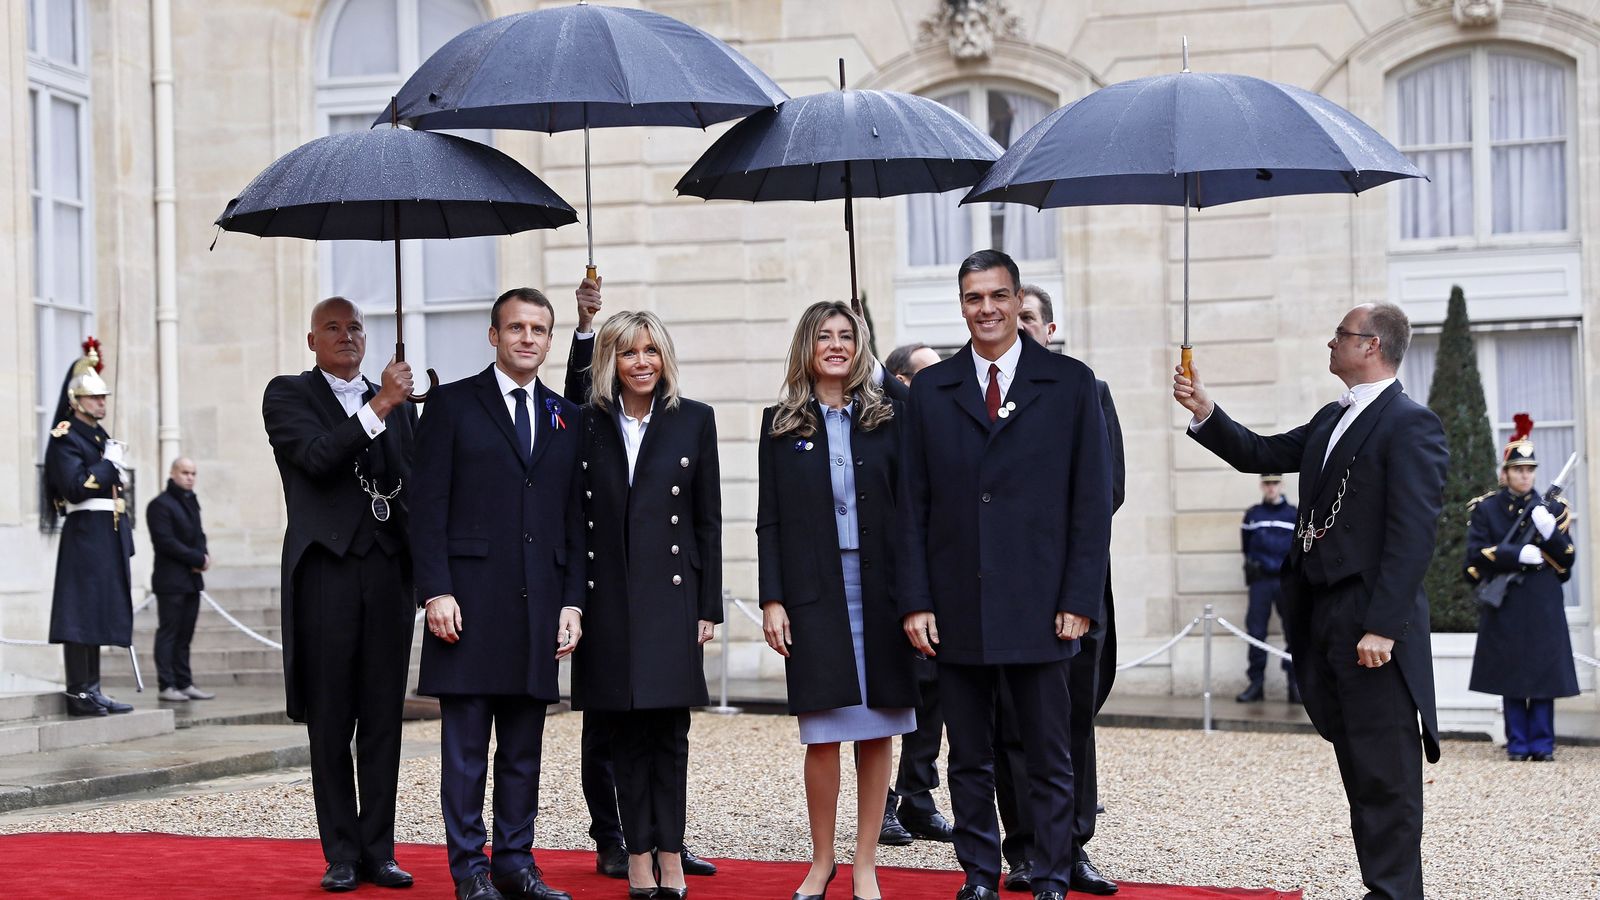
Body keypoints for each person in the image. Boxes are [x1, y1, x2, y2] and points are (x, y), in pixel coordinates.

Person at [1173, 301, 1447, 900]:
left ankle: (1396, 893)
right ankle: (1383, 887)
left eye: (1340, 335)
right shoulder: (1332, 416)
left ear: (1371, 345)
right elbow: (1261, 453)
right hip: (1323, 616)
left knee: (1386, 774)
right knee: (1357, 765)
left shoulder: (1411, 424)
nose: (1330, 343)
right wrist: (1206, 412)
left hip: (1371, 622)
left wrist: (1383, 626)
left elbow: (1413, 535)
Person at [900, 250, 1114, 900]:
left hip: (1043, 606)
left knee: (1049, 757)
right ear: (961, 305)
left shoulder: (1070, 384)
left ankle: (1049, 873)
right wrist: (916, 601)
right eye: (973, 298)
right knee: (968, 757)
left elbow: (1091, 502)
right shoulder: (933, 392)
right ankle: (979, 875)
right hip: (958, 604)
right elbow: (912, 503)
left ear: (1017, 301)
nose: (985, 309)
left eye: (997, 296)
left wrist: (1079, 596)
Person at [412, 287, 585, 900]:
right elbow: (426, 508)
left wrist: (571, 602)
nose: (527, 339)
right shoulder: (454, 405)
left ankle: (516, 863)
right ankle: (470, 871)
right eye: (516, 328)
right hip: (467, 605)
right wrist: (435, 591)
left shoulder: (567, 416)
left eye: (539, 329)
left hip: (538, 607)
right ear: (494, 335)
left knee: (522, 753)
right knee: (465, 754)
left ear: (549, 338)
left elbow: (571, 519)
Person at [561, 280, 720, 884]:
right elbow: (576, 518)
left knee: (669, 733)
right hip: (608, 600)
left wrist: (708, 605)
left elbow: (708, 520)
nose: (642, 362)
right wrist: (583, 323)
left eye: (651, 351)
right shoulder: (587, 423)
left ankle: (671, 850)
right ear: (610, 361)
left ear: (665, 358)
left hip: (672, 597)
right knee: (623, 733)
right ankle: (632, 853)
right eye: (629, 352)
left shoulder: (693, 420)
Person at [759, 301, 918, 900]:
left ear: (861, 347)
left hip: (881, 589)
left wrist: (880, 371)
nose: (835, 345)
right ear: (807, 347)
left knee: (879, 728)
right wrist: (772, 599)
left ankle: (866, 863)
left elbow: (918, 421)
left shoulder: (889, 416)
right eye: (823, 336)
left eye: (846, 336)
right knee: (821, 732)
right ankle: (821, 860)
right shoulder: (780, 424)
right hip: (813, 592)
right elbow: (768, 522)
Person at [263, 297, 418, 892]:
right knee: (331, 721)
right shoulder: (287, 394)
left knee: (383, 717)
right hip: (326, 571)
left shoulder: (401, 405)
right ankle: (342, 854)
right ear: (312, 340)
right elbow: (317, 459)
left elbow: (415, 482)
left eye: (355, 327)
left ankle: (380, 850)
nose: (347, 336)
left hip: (387, 573)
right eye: (333, 327)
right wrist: (380, 403)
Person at [992, 284, 1124, 896]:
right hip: (1005, 592)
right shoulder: (983, 395)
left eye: (1027, 318)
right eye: (1009, 318)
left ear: (1050, 329)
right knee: (1013, 722)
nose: (1016, 327)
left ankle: (1071, 846)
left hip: (1074, 584)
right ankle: (1022, 846)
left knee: (1072, 720)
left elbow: (1108, 489)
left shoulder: (1087, 391)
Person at [878, 339, 956, 850]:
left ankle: (919, 799)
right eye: (926, 375)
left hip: (945, 580)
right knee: (894, 701)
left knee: (935, 698)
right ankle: (882, 805)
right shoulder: (888, 419)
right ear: (903, 383)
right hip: (894, 583)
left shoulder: (944, 423)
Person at [1465, 417, 1579, 762]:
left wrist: (1551, 534)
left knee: (1544, 672)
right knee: (1511, 671)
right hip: (1508, 600)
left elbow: (1568, 559)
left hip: (1543, 599)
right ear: (1506, 473)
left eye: (1529, 469)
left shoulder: (1553, 511)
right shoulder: (1487, 508)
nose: (1525, 475)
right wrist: (1515, 554)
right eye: (1518, 469)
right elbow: (1473, 559)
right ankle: (1518, 743)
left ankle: (1543, 744)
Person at [43, 342, 137, 718]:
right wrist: (106, 467)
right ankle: (78, 692)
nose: (102, 403)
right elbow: (74, 487)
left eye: (103, 397)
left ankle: (93, 688)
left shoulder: (97, 437)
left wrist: (116, 469)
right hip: (84, 531)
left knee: (98, 610)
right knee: (80, 612)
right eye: (94, 398)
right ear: (77, 400)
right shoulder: (65, 437)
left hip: (106, 530)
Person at [146, 456, 216, 702]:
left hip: (191, 581)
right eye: (185, 472)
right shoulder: (160, 505)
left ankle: (184, 682)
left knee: (185, 635)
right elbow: (165, 542)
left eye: (193, 473)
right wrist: (197, 559)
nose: (189, 477)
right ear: (173, 473)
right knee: (169, 632)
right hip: (170, 581)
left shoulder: (191, 502)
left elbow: (199, 534)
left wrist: (203, 557)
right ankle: (167, 684)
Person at [1237, 474, 1299, 704]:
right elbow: (1246, 546)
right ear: (1262, 485)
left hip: (1286, 582)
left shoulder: (1293, 514)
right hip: (1261, 581)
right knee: (1256, 632)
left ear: (1281, 485)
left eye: (1275, 483)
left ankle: (1294, 683)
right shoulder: (1253, 515)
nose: (1271, 488)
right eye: (1267, 483)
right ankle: (1256, 683)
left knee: (1293, 632)